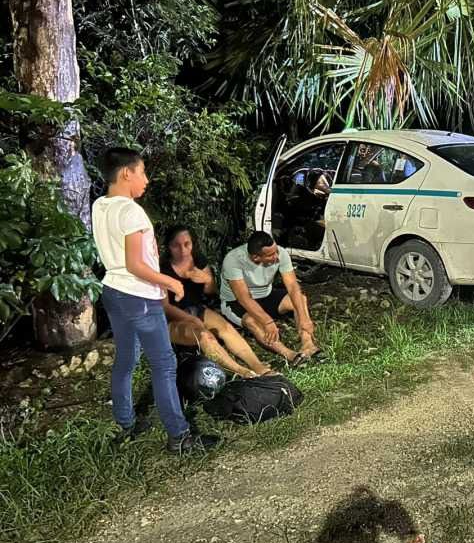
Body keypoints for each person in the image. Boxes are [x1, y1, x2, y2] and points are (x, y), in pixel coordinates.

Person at [92, 148, 219, 454]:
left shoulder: (100, 205)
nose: (146, 180)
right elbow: (136, 264)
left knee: (126, 361)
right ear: (126, 173)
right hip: (138, 297)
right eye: (142, 172)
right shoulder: (132, 212)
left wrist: (155, 284)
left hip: (114, 291)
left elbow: (123, 261)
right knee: (164, 364)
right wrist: (170, 281)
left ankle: (126, 424)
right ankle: (180, 436)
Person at [160, 225, 277, 379]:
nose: (182, 250)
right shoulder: (161, 268)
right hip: (171, 319)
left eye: (187, 244)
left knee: (227, 328)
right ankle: (242, 372)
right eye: (176, 245)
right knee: (204, 336)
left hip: (197, 309)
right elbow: (165, 307)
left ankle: (258, 366)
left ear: (193, 243)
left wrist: (207, 280)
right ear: (168, 246)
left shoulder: (198, 260)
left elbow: (211, 291)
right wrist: (191, 319)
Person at [219, 231, 322, 366]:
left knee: (299, 300)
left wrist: (303, 317)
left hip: (266, 295)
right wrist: (267, 322)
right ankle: (290, 355)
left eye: (276, 252)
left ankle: (308, 344)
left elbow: (292, 286)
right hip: (236, 302)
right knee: (252, 321)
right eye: (271, 255)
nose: (276, 257)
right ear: (256, 257)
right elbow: (244, 298)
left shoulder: (281, 253)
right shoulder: (233, 260)